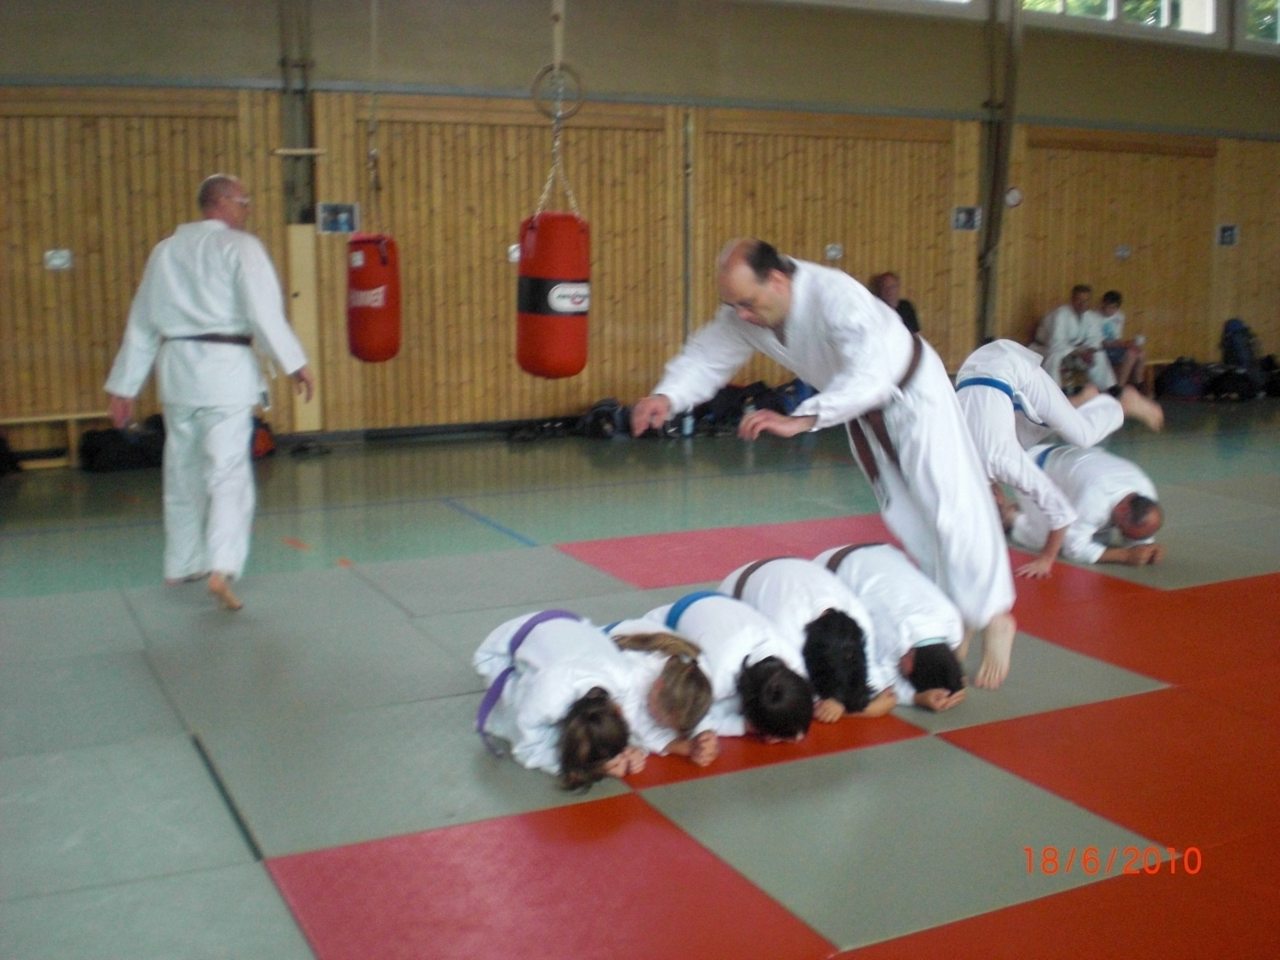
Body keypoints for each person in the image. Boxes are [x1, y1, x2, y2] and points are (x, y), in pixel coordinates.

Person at [630, 238, 1017, 689]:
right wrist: (668, 396)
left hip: (911, 393)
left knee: (950, 501)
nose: (742, 315)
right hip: (858, 409)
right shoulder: (748, 313)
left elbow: (872, 371)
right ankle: (956, 611)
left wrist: (805, 418)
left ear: (777, 279)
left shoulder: (835, 296)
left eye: (748, 303)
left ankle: (995, 615)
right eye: (734, 305)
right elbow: (706, 356)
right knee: (908, 516)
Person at [104, 174, 315, 612]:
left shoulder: (165, 251)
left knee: (182, 471)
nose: (246, 210)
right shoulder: (241, 247)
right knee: (227, 473)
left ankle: (182, 564)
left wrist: (124, 387)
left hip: (177, 374)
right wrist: (295, 362)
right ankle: (220, 566)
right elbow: (264, 313)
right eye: (244, 202)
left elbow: (142, 323)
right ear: (222, 202)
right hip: (224, 373)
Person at [955, 338, 1164, 578]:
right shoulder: (960, 464)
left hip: (1010, 366)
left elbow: (1062, 515)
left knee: (1083, 435)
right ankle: (1080, 401)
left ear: (995, 496)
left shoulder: (1004, 461)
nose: (1003, 503)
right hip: (972, 369)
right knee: (1025, 432)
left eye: (998, 507)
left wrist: (1046, 560)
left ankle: (1122, 405)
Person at [473, 610, 647, 790]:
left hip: (573, 626)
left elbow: (628, 725)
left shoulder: (625, 679)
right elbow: (527, 750)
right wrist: (594, 769)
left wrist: (631, 750)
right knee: (511, 716)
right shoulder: (547, 698)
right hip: (507, 644)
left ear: (618, 710)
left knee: (598, 735)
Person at [719, 556, 892, 722]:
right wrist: (859, 710)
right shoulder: (789, 636)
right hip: (735, 592)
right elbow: (792, 699)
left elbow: (883, 690)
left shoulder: (859, 622)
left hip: (790, 572)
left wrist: (847, 702)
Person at [645, 592, 814, 742]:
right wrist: (742, 726)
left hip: (721, 607)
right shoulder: (715, 677)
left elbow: (798, 715)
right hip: (668, 622)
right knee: (705, 711)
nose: (798, 739)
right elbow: (687, 719)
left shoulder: (792, 659)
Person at [816, 543, 967, 711]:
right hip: (826, 570)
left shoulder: (953, 623)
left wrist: (952, 678)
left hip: (881, 550)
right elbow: (877, 683)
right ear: (910, 665)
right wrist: (915, 697)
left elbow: (946, 659)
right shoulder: (895, 638)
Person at [1007, 444, 1165, 567]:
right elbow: (1073, 548)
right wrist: (1124, 555)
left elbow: (1140, 530)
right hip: (1034, 469)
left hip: (1068, 463)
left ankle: (1032, 511)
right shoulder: (1095, 502)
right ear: (1123, 509)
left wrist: (1146, 547)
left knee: (1098, 540)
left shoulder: (1145, 489)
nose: (1124, 535)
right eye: (1124, 531)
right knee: (1049, 540)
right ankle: (1011, 517)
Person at [604, 620, 716, 766]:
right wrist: (674, 746)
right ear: (658, 685)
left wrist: (704, 734)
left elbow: (697, 706)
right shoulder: (630, 679)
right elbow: (635, 727)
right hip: (605, 639)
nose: (660, 725)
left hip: (642, 632)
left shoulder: (697, 671)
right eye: (658, 719)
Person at [1029, 284, 1115, 392]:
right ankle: (1054, 392)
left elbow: (1095, 339)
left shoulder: (1090, 316)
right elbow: (1056, 343)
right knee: (1056, 357)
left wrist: (1090, 351)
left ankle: (1109, 389)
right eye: (1079, 300)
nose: (1082, 304)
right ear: (1072, 300)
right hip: (1045, 348)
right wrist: (1079, 352)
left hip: (1074, 349)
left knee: (1099, 355)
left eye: (1086, 301)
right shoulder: (1061, 314)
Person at [1097, 291, 1147, 390]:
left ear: (1117, 308)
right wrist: (1124, 344)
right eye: (1108, 307)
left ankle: (1138, 384)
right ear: (1103, 304)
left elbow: (1117, 338)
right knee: (1131, 354)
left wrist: (1129, 343)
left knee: (1141, 353)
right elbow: (1101, 343)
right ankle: (1119, 387)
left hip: (1114, 347)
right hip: (1101, 349)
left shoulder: (1119, 316)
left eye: (1113, 308)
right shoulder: (1095, 317)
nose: (1110, 310)